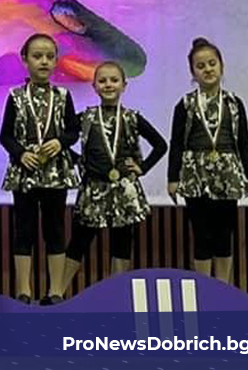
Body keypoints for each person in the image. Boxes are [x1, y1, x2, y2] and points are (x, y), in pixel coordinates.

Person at [54, 61, 167, 297]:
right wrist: (78, 160)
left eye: (114, 80)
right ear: (94, 86)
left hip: (124, 191)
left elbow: (160, 145)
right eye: (102, 80)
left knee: (122, 242)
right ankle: (57, 293)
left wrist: (143, 167)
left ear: (124, 85)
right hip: (93, 191)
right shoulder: (85, 118)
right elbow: (60, 140)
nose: (108, 85)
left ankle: (118, 295)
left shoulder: (132, 118)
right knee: (79, 241)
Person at [167, 37, 248, 283]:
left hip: (227, 174)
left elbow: (244, 142)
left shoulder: (234, 103)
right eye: (200, 66)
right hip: (195, 174)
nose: (207, 69)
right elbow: (176, 143)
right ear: (193, 73)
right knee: (202, 235)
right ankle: (204, 290)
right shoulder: (185, 104)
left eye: (212, 63)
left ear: (221, 66)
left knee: (224, 234)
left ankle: (222, 289)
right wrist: (173, 178)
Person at [0, 33, 79, 304]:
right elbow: (5, 136)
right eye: (37, 56)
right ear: (25, 60)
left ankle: (55, 290)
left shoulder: (64, 96)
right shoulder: (15, 97)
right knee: (24, 229)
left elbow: (73, 131)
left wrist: (60, 142)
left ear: (56, 61)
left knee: (55, 229)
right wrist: (20, 153)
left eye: (49, 56)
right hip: (25, 172)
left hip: (56, 172)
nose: (44, 61)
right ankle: (24, 290)